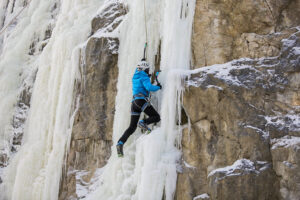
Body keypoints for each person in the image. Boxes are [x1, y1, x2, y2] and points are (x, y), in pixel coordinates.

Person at [116, 59, 162, 157]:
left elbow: (141, 76)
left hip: (134, 103)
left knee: (132, 127)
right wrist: (158, 87)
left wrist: (143, 64)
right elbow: (149, 87)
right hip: (141, 101)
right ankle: (144, 123)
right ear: (144, 69)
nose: (148, 72)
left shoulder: (135, 76)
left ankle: (120, 143)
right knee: (156, 117)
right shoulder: (144, 77)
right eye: (147, 70)